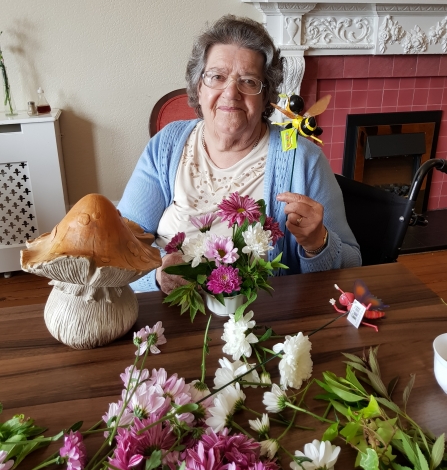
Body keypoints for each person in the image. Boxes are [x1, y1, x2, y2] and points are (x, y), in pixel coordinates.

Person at [118, 15, 361, 292]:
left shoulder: (302, 157)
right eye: (217, 77)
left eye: (248, 81)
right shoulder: (168, 145)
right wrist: (158, 277)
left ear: (266, 95)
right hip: (171, 314)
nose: (230, 93)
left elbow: (352, 265)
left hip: (260, 320)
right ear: (199, 87)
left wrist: (319, 244)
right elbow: (121, 245)